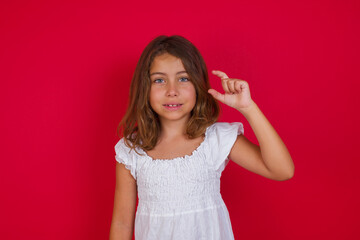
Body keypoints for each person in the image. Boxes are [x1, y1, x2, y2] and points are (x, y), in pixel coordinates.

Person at [109, 35, 295, 240]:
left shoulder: (215, 139)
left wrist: (248, 108)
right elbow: (121, 223)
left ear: (197, 84)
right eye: (159, 80)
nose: (172, 91)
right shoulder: (131, 150)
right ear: (145, 88)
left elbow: (282, 170)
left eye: (183, 78)